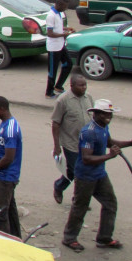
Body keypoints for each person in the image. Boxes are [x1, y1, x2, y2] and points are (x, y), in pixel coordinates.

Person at [62, 100, 132, 252]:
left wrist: (131, 143)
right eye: (105, 114)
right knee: (80, 207)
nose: (109, 116)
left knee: (110, 204)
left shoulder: (103, 127)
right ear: (96, 114)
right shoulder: (89, 132)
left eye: (110, 114)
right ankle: (69, 238)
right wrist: (109, 156)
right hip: (86, 177)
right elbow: (87, 159)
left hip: (100, 174)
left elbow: (109, 142)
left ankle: (104, 238)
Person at [51, 74, 93, 204]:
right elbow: (56, 124)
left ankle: (59, 186)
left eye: (85, 85)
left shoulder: (89, 98)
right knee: (77, 173)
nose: (84, 87)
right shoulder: (63, 100)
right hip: (71, 143)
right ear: (72, 85)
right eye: (81, 85)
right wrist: (57, 146)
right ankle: (78, 199)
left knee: (79, 172)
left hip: (87, 144)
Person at [0, 96, 23, 238]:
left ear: (2, 109)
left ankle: (4, 243)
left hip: (7, 176)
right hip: (3, 175)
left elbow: (9, 157)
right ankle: (16, 237)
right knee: (10, 209)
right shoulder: (4, 124)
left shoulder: (10, 129)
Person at [45, 0, 73, 98]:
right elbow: (50, 33)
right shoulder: (51, 16)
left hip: (60, 45)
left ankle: (59, 86)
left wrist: (65, 29)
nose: (65, 9)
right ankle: (49, 92)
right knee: (52, 70)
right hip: (53, 47)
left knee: (68, 64)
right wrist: (63, 34)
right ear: (60, 5)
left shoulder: (59, 13)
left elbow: (57, 27)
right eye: (65, 7)